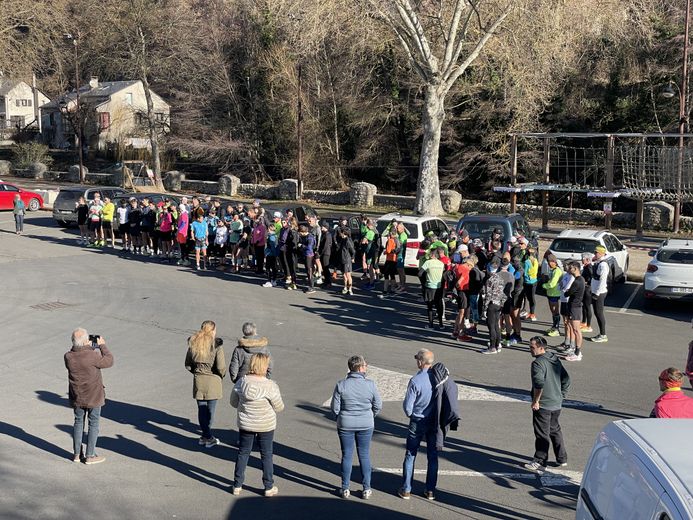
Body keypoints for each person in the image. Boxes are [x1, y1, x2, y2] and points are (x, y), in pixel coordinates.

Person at [231, 353, 284, 497]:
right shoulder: (271, 386)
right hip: (266, 425)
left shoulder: (242, 382)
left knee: (243, 453)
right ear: (264, 366)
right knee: (266, 455)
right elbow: (279, 407)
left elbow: (233, 402)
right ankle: (268, 486)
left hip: (246, 423)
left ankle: (237, 484)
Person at [331, 355, 383, 499]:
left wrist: (340, 418)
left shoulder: (341, 384)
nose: (366, 367)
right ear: (360, 368)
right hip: (366, 424)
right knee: (364, 455)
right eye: (365, 365)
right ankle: (366, 488)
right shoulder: (370, 384)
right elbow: (378, 405)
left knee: (347, 455)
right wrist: (370, 415)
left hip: (346, 424)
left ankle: (345, 488)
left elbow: (335, 408)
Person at [64, 328, 114, 464]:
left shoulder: (68, 356)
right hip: (94, 395)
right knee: (94, 423)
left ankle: (76, 454)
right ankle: (90, 455)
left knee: (78, 422)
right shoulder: (93, 355)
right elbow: (109, 361)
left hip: (77, 396)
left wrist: (81, 345)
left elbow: (77, 352)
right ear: (86, 341)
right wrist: (102, 345)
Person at [525, 336, 570, 474]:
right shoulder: (554, 358)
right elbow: (566, 378)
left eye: (532, 347)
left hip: (544, 405)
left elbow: (539, 384)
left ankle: (540, 461)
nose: (530, 350)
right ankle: (561, 458)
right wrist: (562, 394)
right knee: (555, 430)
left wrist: (536, 401)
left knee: (542, 434)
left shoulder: (537, 363)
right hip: (556, 403)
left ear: (541, 348)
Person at [399, 349, 438, 501]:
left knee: (410, 454)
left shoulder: (415, 380)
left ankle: (407, 489)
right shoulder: (437, 378)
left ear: (421, 362)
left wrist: (411, 414)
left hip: (418, 419)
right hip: (433, 420)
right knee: (432, 456)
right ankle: (430, 490)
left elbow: (408, 407)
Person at [185, 321, 226, 448]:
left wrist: (196, 371)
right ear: (212, 330)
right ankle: (208, 437)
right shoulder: (216, 346)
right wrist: (221, 375)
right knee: (210, 411)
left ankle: (204, 436)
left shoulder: (194, 344)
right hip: (213, 380)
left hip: (199, 380)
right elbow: (221, 367)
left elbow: (187, 364)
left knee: (201, 410)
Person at [562, 262, 586, 362]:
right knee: (575, 329)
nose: (569, 269)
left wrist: (565, 290)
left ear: (575, 268)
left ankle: (577, 353)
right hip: (575, 306)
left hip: (575, 307)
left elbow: (567, 293)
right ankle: (576, 351)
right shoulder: (580, 279)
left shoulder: (577, 281)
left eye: (571, 268)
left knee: (576, 330)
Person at [481, 261, 505, 354]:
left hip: (491, 304)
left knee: (491, 326)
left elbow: (488, 295)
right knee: (496, 325)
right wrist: (502, 304)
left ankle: (492, 347)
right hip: (498, 304)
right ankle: (498, 344)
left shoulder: (490, 280)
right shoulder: (500, 278)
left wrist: (485, 308)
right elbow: (503, 294)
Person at [419, 248, 445, 330]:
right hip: (439, 287)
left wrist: (424, 282)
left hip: (429, 286)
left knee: (430, 306)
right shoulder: (441, 263)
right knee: (439, 306)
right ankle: (441, 324)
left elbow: (419, 273)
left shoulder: (428, 262)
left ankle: (431, 325)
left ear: (433, 254)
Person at [590, 245, 609, 343]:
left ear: (601, 253)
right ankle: (602, 334)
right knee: (597, 313)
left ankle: (603, 334)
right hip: (595, 291)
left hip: (599, 293)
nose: (594, 254)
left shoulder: (603, 265)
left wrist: (596, 293)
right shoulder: (598, 262)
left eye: (596, 252)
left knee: (599, 313)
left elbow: (602, 280)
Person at [542, 254, 563, 337]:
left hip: (555, 293)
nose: (549, 263)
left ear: (554, 262)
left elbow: (553, 283)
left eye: (551, 261)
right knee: (553, 311)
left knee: (555, 311)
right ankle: (554, 326)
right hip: (550, 293)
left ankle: (556, 329)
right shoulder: (552, 269)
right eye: (548, 262)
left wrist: (544, 286)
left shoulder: (557, 271)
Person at [337, 226, 356, 295]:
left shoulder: (348, 241)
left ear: (343, 233)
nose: (339, 234)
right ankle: (345, 287)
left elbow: (353, 251)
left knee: (348, 275)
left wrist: (353, 258)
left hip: (347, 259)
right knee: (344, 275)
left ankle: (350, 289)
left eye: (340, 232)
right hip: (342, 259)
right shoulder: (342, 239)